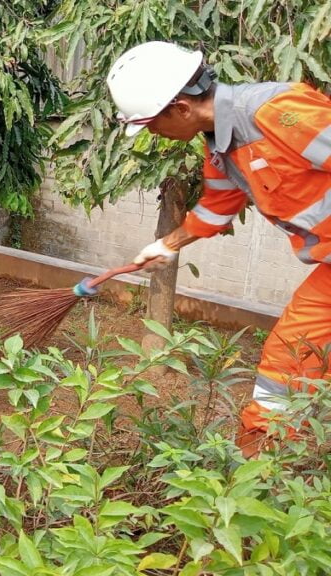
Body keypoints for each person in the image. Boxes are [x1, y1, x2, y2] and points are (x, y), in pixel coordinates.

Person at [106, 41, 331, 457]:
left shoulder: (278, 113)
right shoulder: (219, 145)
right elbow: (217, 207)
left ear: (181, 109)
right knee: (289, 361)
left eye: (152, 124)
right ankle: (261, 470)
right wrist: (166, 245)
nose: (154, 134)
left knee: (293, 355)